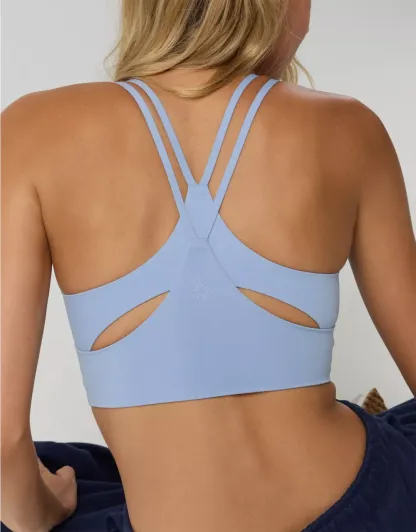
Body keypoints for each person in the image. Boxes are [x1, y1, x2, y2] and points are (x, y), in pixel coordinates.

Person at [1, 0, 416, 531]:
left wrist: (40, 513)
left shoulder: (31, 131)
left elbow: (3, 443)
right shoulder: (349, 126)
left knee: (54, 473)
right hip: (367, 505)